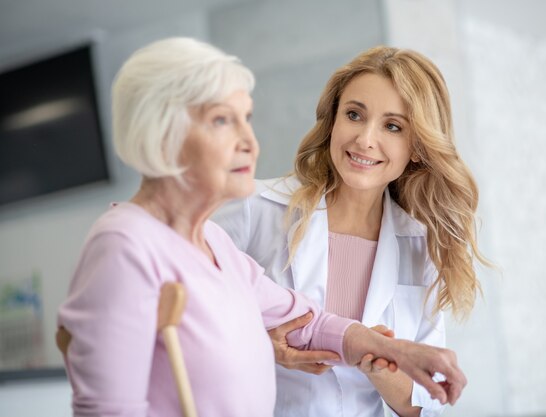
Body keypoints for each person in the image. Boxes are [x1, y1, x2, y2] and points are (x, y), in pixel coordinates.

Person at [56, 38, 467, 417]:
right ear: (165, 134)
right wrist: (265, 348)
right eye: (221, 120)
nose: (250, 140)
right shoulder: (128, 243)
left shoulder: (212, 242)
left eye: (245, 118)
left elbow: (309, 321)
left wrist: (389, 351)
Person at [213, 45, 489, 417]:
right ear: (333, 120)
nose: (364, 139)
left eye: (392, 126)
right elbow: (176, 320)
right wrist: (265, 348)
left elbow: (422, 408)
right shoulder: (254, 208)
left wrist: (377, 360)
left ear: (419, 147)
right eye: (354, 115)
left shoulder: (421, 247)